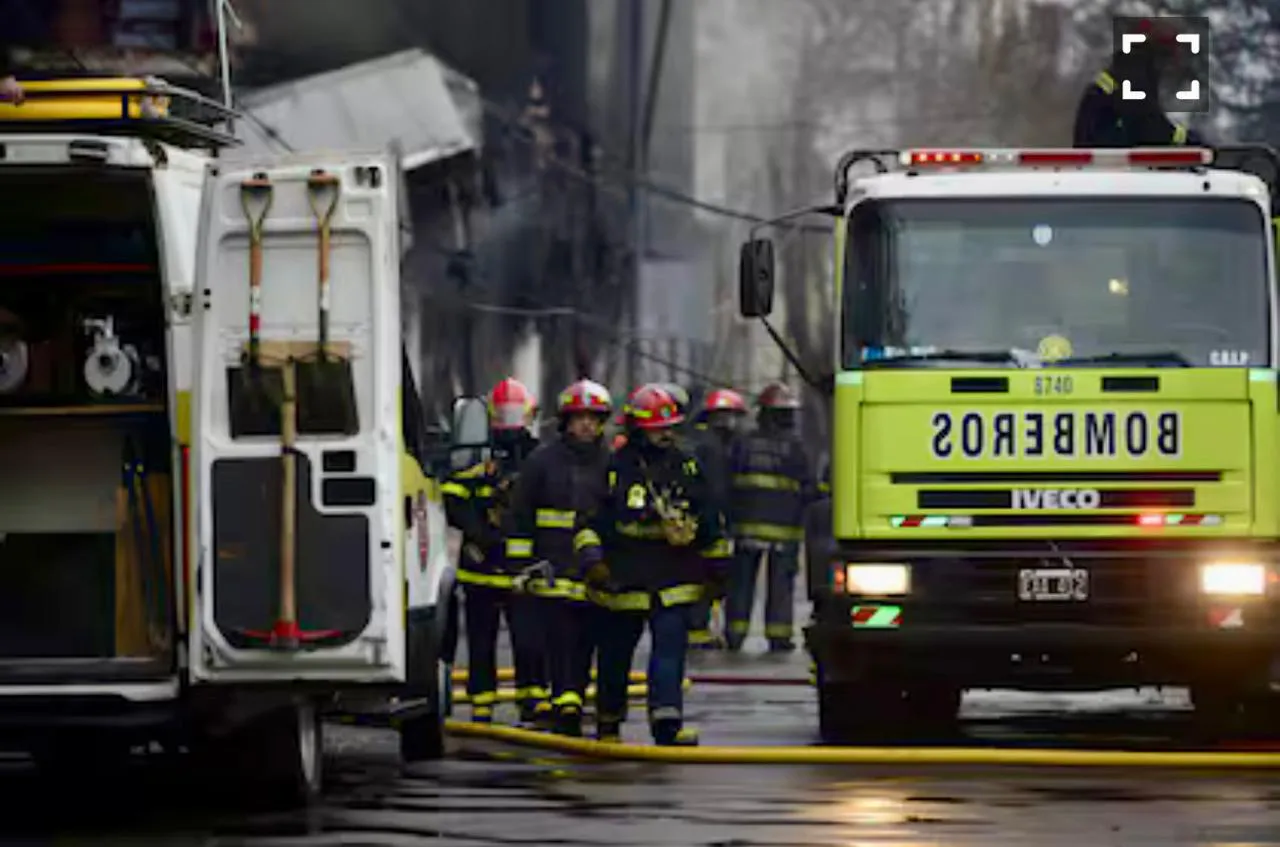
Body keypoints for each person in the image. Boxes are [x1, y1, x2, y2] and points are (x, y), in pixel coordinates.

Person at [575, 384, 731, 746]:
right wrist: (593, 561)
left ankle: (667, 724)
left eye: (669, 428)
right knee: (615, 656)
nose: (666, 435)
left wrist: (718, 568)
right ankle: (609, 721)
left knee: (669, 652)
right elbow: (590, 520)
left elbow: (709, 518)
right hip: (623, 579)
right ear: (637, 429)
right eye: (658, 429)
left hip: (675, 577)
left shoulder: (688, 465)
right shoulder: (616, 467)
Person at [504, 378, 613, 736]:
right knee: (558, 636)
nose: (587, 425)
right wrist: (520, 568)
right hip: (550, 566)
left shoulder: (613, 463)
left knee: (588, 638)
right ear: (566, 421)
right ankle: (566, 700)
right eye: (579, 418)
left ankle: (573, 696)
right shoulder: (542, 461)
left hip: (595, 569)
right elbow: (520, 517)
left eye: (593, 418)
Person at [442, 378, 544, 725]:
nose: (509, 422)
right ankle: (482, 701)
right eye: (503, 414)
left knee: (529, 639)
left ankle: (532, 697)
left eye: (514, 414)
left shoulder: (539, 457)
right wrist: (479, 532)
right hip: (480, 566)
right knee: (480, 640)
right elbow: (453, 495)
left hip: (522, 568)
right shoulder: (476, 454)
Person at [725, 382, 815, 653]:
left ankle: (735, 634)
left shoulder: (743, 442)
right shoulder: (796, 447)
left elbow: (727, 482)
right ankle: (779, 637)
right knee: (781, 586)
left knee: (741, 584)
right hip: (784, 531)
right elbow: (808, 488)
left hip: (746, 529)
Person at [1073, 16, 1203, 148]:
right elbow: (1149, 125)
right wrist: (1184, 139)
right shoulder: (1136, 73)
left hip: (1100, 146)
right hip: (1108, 150)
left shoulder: (1127, 69)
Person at [686, 388, 748, 650]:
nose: (729, 423)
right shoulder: (711, 447)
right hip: (708, 523)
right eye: (724, 417)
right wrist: (721, 520)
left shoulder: (710, 442)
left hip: (705, 522)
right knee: (708, 576)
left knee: (710, 576)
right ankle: (697, 629)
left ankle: (699, 627)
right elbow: (716, 489)